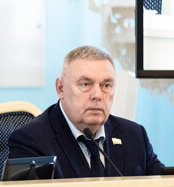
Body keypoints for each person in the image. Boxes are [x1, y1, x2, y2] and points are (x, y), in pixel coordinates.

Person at [8, 45, 164, 178]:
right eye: (85, 84)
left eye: (106, 85)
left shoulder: (134, 136)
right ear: (61, 88)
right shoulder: (31, 141)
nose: (97, 95)